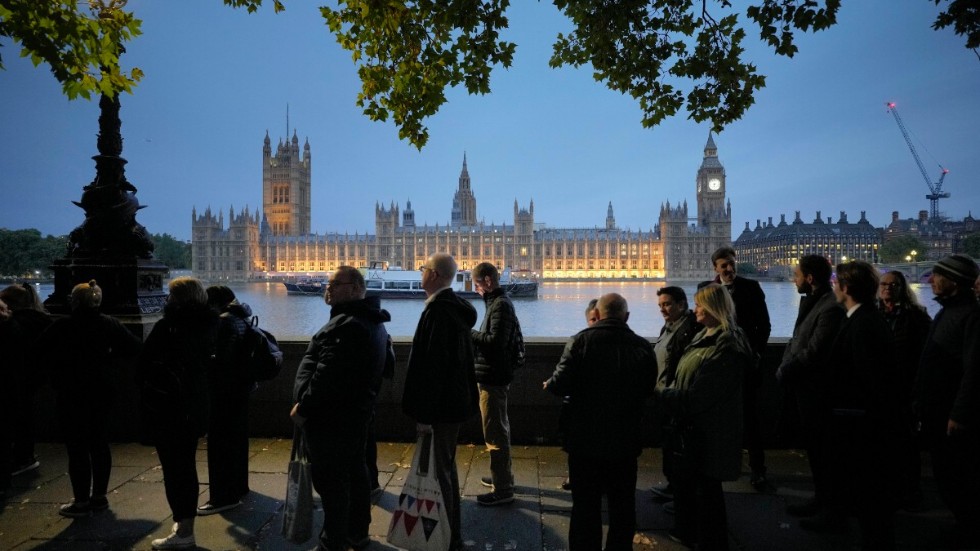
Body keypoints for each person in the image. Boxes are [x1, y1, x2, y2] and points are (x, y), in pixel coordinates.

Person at [544, 293, 656, 551]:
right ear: (626, 316)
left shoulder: (581, 341)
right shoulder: (641, 346)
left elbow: (560, 385)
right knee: (622, 505)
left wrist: (552, 385)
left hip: (585, 438)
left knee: (585, 505)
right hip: (625, 438)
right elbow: (648, 389)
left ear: (599, 314)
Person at [292, 266, 393, 551]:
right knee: (356, 474)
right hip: (356, 414)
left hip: (332, 420)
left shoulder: (348, 325)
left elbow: (327, 375)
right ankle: (357, 533)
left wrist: (304, 407)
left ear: (355, 287)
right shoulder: (373, 322)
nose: (328, 287)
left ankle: (332, 541)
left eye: (335, 283)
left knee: (332, 484)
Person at [657, 284, 753, 551]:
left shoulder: (726, 343)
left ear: (713, 308)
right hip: (697, 426)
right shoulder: (707, 335)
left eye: (699, 305)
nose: (694, 309)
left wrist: (661, 396)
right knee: (701, 490)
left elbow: (701, 395)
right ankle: (694, 534)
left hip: (709, 429)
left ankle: (710, 541)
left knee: (707, 493)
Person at [814, 260, 902, 548]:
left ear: (846, 287)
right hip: (857, 422)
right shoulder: (863, 318)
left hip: (858, 425)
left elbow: (870, 381)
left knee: (869, 500)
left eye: (836, 282)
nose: (833, 287)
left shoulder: (863, 324)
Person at [35, 280, 141, 517]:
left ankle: (81, 500)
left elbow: (38, 351)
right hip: (102, 389)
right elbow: (135, 347)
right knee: (99, 443)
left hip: (71, 390)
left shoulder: (63, 325)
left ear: (74, 301)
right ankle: (99, 496)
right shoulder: (109, 323)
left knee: (77, 447)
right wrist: (111, 356)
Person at [401, 253, 478, 551]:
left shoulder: (438, 313)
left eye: (422, 269)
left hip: (440, 409)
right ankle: (449, 532)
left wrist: (424, 414)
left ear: (433, 275)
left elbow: (432, 367)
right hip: (453, 404)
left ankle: (448, 537)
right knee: (445, 467)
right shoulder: (454, 309)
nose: (420, 274)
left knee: (439, 472)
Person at [139, 277, 218, 550]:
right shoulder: (212, 324)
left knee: (176, 470)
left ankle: (184, 531)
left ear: (178, 299)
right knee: (187, 467)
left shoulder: (169, 327)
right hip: (196, 407)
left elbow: (145, 363)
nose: (166, 300)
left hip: (171, 408)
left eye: (170, 296)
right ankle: (185, 524)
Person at [914, 254, 980, 547]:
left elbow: (974, 370)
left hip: (949, 413)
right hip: (934, 409)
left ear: (953, 281)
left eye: (937, 275)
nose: (930, 279)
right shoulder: (946, 312)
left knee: (957, 475)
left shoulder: (971, 317)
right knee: (945, 473)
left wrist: (959, 414)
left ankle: (968, 530)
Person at [775, 255, 844, 519]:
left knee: (825, 452)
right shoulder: (816, 301)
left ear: (810, 278)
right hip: (806, 387)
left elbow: (815, 350)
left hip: (818, 389)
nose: (793, 279)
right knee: (816, 450)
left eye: (796, 275)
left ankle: (832, 512)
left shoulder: (830, 306)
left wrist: (786, 369)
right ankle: (821, 499)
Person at [700, 246, 771, 490]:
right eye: (724, 266)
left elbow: (765, 325)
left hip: (744, 362)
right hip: (717, 363)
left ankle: (758, 469)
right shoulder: (706, 290)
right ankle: (719, 466)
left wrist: (757, 353)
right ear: (716, 268)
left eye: (731, 263)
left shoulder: (751, 288)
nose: (729, 269)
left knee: (751, 418)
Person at [877, 270, 931, 509]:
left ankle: (910, 491)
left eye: (893, 285)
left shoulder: (916, 317)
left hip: (905, 388)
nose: (888, 288)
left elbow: (924, 354)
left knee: (906, 444)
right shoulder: (875, 315)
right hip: (880, 389)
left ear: (902, 288)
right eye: (884, 284)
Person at [198, 285, 254, 515]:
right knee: (238, 441)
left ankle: (223, 497)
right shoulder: (242, 317)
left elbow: (220, 360)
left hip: (224, 392)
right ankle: (239, 487)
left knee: (220, 445)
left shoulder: (223, 322)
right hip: (241, 389)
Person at [471, 262, 522, 506]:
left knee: (495, 433)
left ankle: (502, 489)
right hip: (494, 375)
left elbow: (495, 342)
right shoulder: (496, 303)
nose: (476, 289)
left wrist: (468, 333)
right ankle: (502, 477)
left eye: (477, 284)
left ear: (488, 281)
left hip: (494, 377)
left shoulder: (500, 305)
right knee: (499, 428)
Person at [650, 287, 701, 507]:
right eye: (660, 305)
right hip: (664, 394)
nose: (663, 309)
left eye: (667, 304)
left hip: (676, 395)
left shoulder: (689, 329)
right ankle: (674, 488)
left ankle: (683, 500)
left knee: (680, 450)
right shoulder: (669, 327)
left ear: (682, 304)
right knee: (669, 445)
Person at [0, 283, 51, 477]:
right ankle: (25, 457)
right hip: (34, 377)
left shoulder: (12, 325)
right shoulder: (42, 321)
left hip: (15, 378)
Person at [559, 299, 598, 493]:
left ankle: (577, 479)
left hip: (584, 409)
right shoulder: (636, 343)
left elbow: (562, 377)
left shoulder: (579, 341)